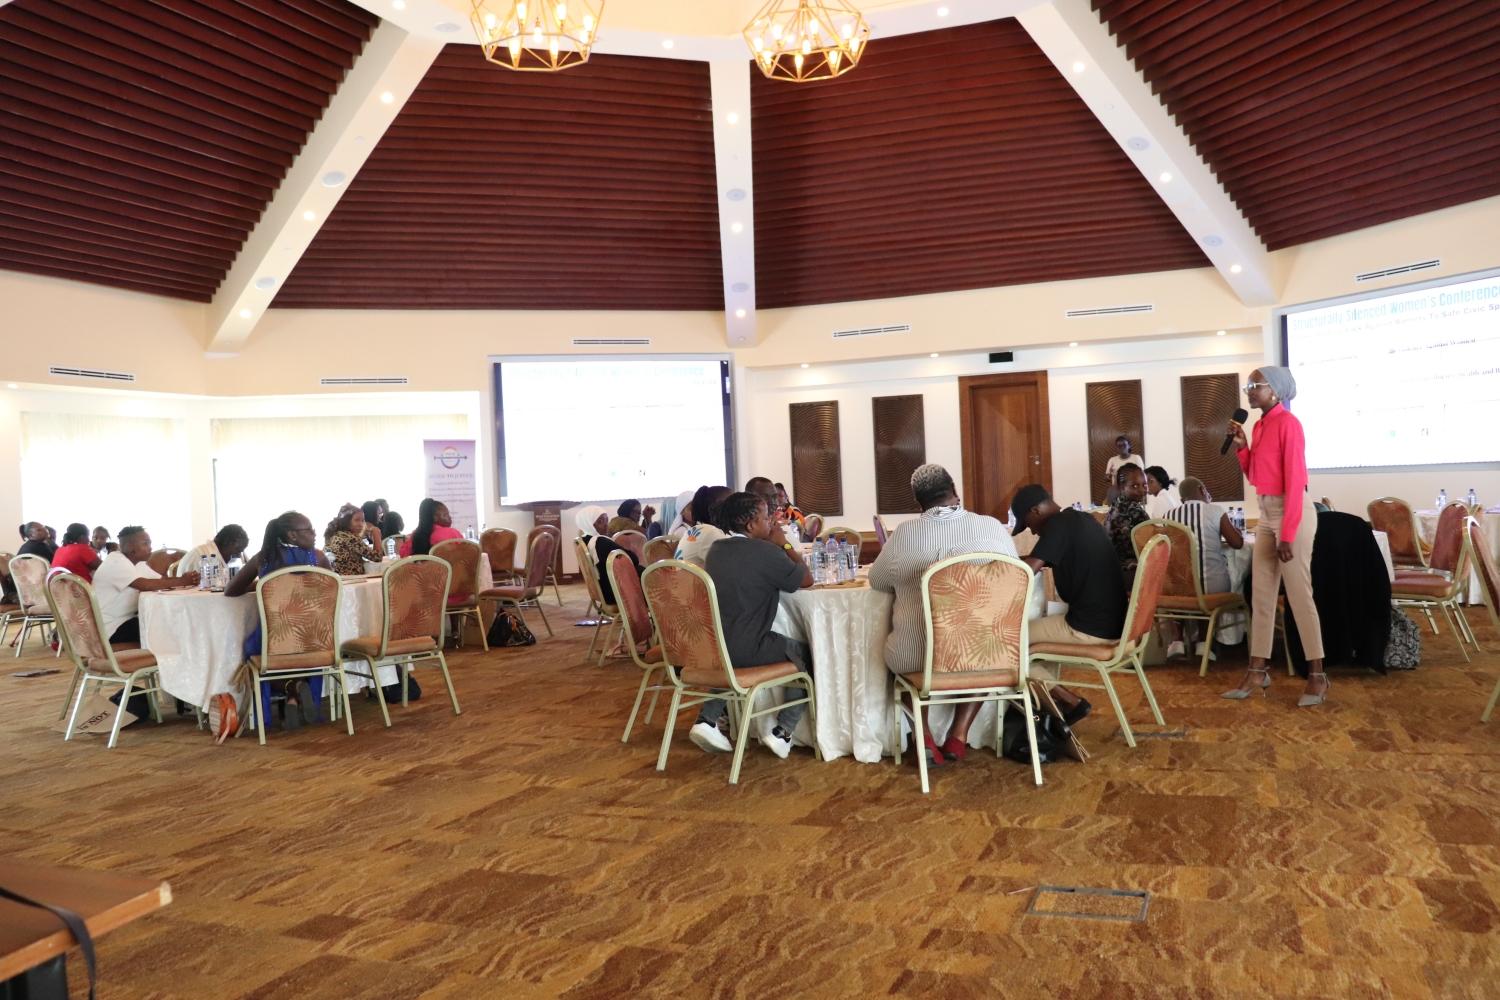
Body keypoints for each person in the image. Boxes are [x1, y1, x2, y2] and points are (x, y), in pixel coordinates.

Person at [868, 464, 1017, 767]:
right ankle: (958, 735)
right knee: (985, 649)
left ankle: (922, 736)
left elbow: (877, 581)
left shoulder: (905, 535)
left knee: (907, 655)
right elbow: (1012, 576)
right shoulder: (991, 528)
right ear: (955, 491)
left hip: (918, 657)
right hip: (984, 653)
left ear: (918, 503)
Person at [1223, 366, 1328, 706]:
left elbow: (1296, 481)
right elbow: (1257, 476)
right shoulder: (1260, 425)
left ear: (1276, 390)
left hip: (1291, 513)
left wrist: (1288, 532)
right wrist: (1242, 448)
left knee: (1299, 595)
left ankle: (1317, 675)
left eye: (1257, 385)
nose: (1250, 391)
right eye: (1248, 385)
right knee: (1261, 595)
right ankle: (1257, 670)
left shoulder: (1289, 424)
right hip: (1267, 513)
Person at [690, 491, 814, 760]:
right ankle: (783, 731)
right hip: (749, 647)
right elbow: (806, 580)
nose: (771, 522)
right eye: (766, 518)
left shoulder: (717, 549)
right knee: (805, 653)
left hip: (714, 646)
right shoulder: (765, 552)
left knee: (733, 656)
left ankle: (707, 719)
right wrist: (784, 544)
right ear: (751, 524)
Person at [1013, 483, 1135, 724]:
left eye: (1028, 525)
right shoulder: (1079, 519)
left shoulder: (1057, 526)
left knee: (1008, 642)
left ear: (1036, 511)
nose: (1033, 532)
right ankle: (1052, 707)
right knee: (1029, 642)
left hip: (1090, 629)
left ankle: (1069, 702)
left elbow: (1025, 573)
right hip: (1115, 624)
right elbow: (1041, 560)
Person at [226, 512, 334, 729]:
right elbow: (331, 586)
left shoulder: (263, 559)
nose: (315, 533)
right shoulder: (318, 557)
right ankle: (295, 692)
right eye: (309, 529)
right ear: (292, 535)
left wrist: (262, 584)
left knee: (256, 655)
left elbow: (231, 590)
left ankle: (291, 691)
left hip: (274, 638)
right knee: (298, 649)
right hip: (313, 638)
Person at [93, 526, 199, 645]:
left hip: (125, 621)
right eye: (145, 544)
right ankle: (173, 655)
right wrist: (183, 581)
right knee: (167, 624)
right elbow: (145, 585)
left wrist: (186, 579)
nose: (150, 548)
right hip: (109, 628)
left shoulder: (138, 564)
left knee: (170, 619)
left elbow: (162, 581)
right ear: (131, 548)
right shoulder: (116, 562)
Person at [575, 506, 638, 605]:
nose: (606, 525)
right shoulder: (601, 542)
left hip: (606, 590)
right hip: (617, 592)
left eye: (606, 520)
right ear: (588, 523)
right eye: (600, 521)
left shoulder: (585, 539)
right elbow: (634, 559)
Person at [1105, 464, 1150, 586]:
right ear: (1121, 487)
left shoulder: (1114, 507)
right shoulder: (1136, 511)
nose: (1142, 490)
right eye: (1134, 486)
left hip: (1111, 573)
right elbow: (1150, 548)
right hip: (1132, 575)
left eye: (1144, 485)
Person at [674, 485, 733, 568]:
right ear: (718, 509)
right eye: (733, 506)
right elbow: (732, 564)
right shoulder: (710, 532)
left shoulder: (700, 529)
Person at [172, 524, 250, 578]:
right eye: (238, 550)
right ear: (228, 543)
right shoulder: (198, 556)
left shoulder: (228, 558)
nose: (239, 556)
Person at [325, 503, 382, 576]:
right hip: (349, 580)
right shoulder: (350, 538)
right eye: (357, 520)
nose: (361, 524)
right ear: (346, 521)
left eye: (362, 520)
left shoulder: (336, 534)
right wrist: (376, 534)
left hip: (338, 579)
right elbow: (377, 558)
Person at [1103, 436, 1144, 501]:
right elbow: (1106, 477)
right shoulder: (1112, 460)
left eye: (1124, 445)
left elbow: (1142, 476)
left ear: (1129, 446)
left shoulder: (1136, 458)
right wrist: (1108, 476)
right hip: (1117, 492)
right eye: (1119, 446)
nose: (1121, 448)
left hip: (1133, 491)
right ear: (1116, 448)